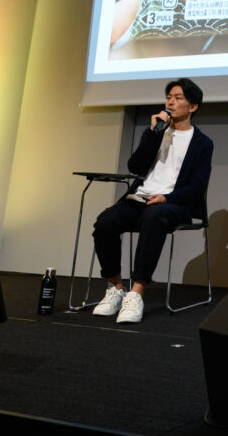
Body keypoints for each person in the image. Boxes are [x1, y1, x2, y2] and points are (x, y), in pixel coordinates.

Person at [91, 78, 213, 323]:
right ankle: (116, 288)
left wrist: (167, 197)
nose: (170, 102)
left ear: (193, 106)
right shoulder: (157, 132)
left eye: (178, 98)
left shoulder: (202, 143)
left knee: (153, 217)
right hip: (140, 197)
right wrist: (152, 133)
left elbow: (197, 187)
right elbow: (135, 167)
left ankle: (136, 293)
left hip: (173, 203)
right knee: (105, 222)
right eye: (168, 97)